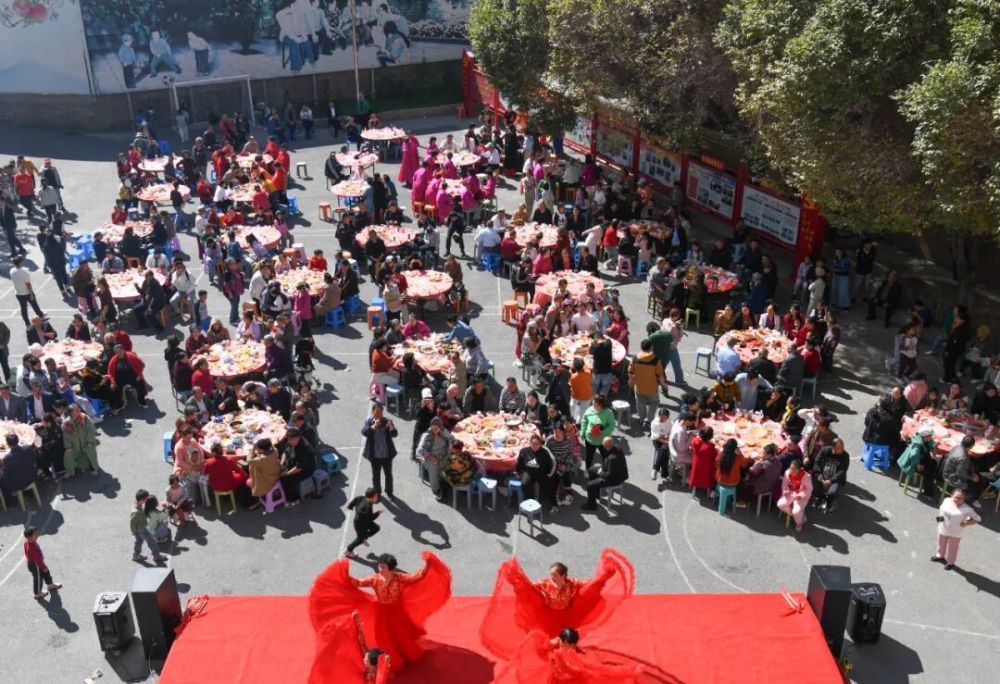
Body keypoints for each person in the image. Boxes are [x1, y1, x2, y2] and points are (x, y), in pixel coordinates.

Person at [308, 551, 451, 669]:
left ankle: (402, 653)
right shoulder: (375, 579)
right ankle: (390, 658)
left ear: (390, 569)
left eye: (382, 566)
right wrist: (344, 574)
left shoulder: (399, 578)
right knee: (383, 636)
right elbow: (358, 582)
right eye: (379, 566)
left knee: (399, 633)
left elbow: (416, 577)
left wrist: (427, 564)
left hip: (396, 610)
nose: (379, 568)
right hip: (381, 612)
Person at [480, 550, 635, 659]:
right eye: (551, 574)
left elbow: (588, 585)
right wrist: (519, 582)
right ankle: (552, 653)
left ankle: (568, 649)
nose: (551, 577)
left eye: (554, 575)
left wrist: (600, 579)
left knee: (588, 594)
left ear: (563, 575)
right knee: (548, 636)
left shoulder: (571, 583)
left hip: (568, 614)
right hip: (549, 615)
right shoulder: (545, 583)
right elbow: (530, 588)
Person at [932, 489, 981, 570]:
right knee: (941, 543)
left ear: (964, 499)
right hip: (943, 528)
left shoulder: (967, 509)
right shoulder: (947, 500)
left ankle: (951, 562)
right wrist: (941, 516)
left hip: (956, 532)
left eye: (961, 498)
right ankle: (940, 555)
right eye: (956, 497)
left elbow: (978, 519)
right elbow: (941, 508)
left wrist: (966, 523)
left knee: (953, 548)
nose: (958, 500)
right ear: (952, 495)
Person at [361, 403, 398, 501]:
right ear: (373, 412)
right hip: (375, 456)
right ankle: (377, 494)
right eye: (376, 412)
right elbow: (364, 432)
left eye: (380, 412)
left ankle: (389, 492)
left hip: (386, 455)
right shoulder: (369, 422)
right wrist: (372, 427)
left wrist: (391, 427)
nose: (379, 414)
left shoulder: (386, 421)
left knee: (388, 475)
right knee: (376, 476)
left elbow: (395, 434)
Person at [582, 437, 628, 512]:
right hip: (615, 472)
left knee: (590, 485)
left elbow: (609, 475)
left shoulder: (612, 458)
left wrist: (600, 472)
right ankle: (595, 493)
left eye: (603, 446)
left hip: (615, 479)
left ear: (607, 447)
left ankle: (592, 505)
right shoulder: (617, 448)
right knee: (591, 470)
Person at [516, 434, 558, 513]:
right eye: (533, 444)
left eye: (537, 444)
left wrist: (549, 474)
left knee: (549, 487)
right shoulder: (524, 451)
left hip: (542, 473)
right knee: (524, 484)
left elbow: (552, 463)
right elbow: (519, 462)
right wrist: (518, 471)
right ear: (530, 443)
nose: (535, 446)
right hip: (529, 473)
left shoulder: (545, 452)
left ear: (540, 444)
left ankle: (554, 504)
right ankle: (531, 501)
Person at [941, 436, 984, 504]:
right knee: (975, 484)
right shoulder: (962, 457)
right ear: (971, 446)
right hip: (951, 476)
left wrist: (972, 472)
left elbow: (968, 462)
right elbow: (960, 473)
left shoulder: (958, 447)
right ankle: (966, 500)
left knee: (976, 471)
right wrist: (972, 478)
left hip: (948, 470)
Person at [810, 439, 849, 513]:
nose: (842, 449)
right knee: (814, 485)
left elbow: (842, 471)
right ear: (833, 447)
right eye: (840, 448)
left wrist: (831, 481)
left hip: (835, 479)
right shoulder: (824, 450)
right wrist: (819, 474)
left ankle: (829, 501)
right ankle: (819, 497)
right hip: (822, 475)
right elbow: (817, 462)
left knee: (832, 492)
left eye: (842, 447)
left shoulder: (845, 456)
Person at [23, 527, 61, 600]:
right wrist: (43, 567)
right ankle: (37, 594)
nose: (37, 535)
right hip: (35, 565)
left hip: (36, 563)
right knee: (38, 579)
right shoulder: (32, 548)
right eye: (35, 534)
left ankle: (50, 585)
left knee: (46, 573)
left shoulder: (27, 542)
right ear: (29, 537)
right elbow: (38, 561)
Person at [344, 487, 383, 559]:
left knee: (376, 528)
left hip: (364, 520)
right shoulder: (367, 508)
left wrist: (350, 506)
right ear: (373, 497)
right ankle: (349, 550)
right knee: (359, 539)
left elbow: (355, 500)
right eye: (377, 496)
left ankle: (364, 537)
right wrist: (377, 513)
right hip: (360, 524)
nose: (378, 497)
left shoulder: (362, 498)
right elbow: (370, 518)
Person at [131, 489, 167, 563]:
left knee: (138, 541)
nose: (146, 500)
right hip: (142, 529)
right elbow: (132, 522)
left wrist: (135, 531)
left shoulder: (137, 505)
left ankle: (136, 555)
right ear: (142, 499)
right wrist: (134, 531)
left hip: (138, 529)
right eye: (146, 498)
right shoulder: (136, 512)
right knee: (152, 542)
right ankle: (157, 556)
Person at [777, 460, 813, 532]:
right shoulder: (787, 473)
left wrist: (800, 495)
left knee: (796, 511)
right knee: (780, 504)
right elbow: (784, 484)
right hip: (790, 492)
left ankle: (799, 523)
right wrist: (785, 490)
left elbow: (809, 489)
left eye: (794, 469)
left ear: (799, 470)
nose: (791, 471)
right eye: (791, 468)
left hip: (800, 495)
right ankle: (795, 516)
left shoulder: (806, 476)